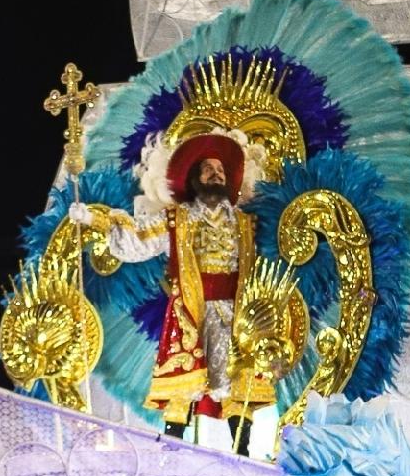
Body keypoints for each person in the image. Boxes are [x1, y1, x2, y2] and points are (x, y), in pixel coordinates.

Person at [73, 133, 276, 453]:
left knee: (238, 383)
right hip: (190, 312)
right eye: (208, 170)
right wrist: (95, 219)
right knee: (182, 385)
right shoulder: (176, 219)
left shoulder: (246, 223)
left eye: (220, 170)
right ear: (194, 179)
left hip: (235, 313)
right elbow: (139, 238)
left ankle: (243, 453)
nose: (216, 174)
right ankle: (172, 453)